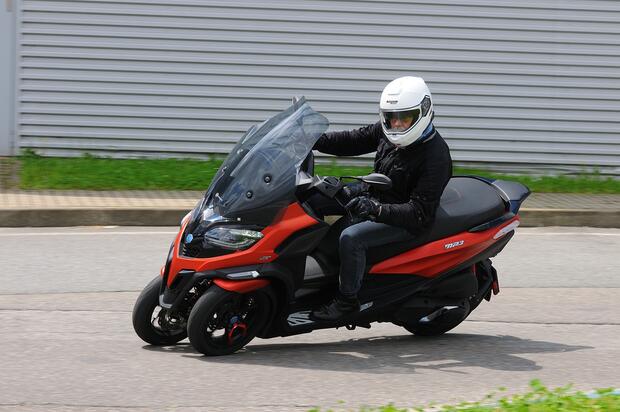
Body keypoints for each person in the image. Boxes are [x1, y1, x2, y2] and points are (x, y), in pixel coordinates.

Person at [310, 76, 453, 321]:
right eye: (390, 117)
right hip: (375, 196)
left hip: (404, 220)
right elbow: (353, 140)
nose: (396, 123)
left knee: (351, 238)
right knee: (315, 197)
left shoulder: (435, 156)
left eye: (404, 118)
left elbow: (419, 213)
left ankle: (347, 302)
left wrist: (377, 210)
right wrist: (313, 140)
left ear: (423, 111)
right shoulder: (389, 131)